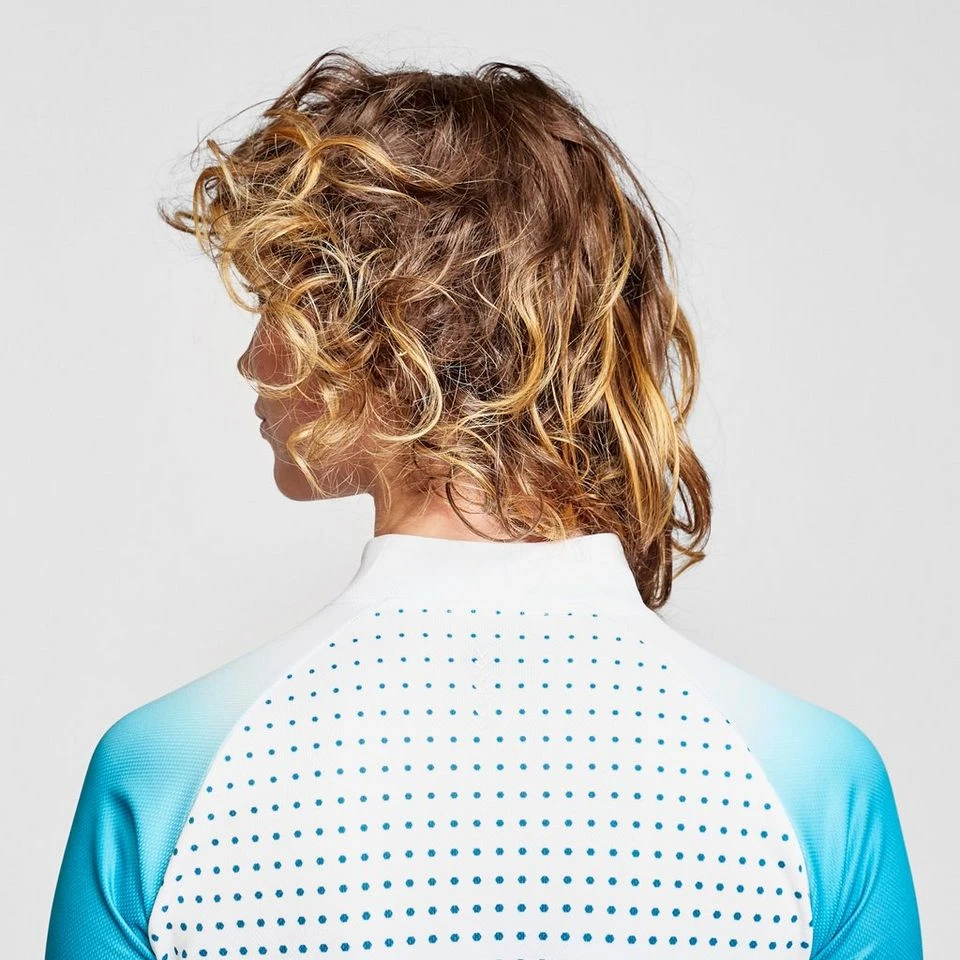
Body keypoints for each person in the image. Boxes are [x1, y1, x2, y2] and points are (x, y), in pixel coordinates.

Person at [45, 49, 923, 959]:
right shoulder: (811, 781)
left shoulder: (169, 771)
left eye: (276, 302)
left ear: (371, 330)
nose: (248, 360)